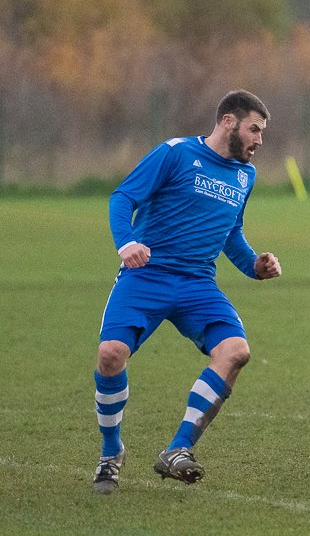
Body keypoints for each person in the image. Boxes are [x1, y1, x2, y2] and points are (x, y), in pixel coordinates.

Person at [91, 90, 282, 494]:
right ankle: (111, 454)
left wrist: (254, 265)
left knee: (236, 352)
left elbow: (230, 231)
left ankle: (178, 449)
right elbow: (123, 197)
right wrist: (126, 243)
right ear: (228, 122)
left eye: (262, 132)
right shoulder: (174, 154)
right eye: (254, 129)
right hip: (147, 276)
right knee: (110, 355)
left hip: (197, 284)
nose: (259, 140)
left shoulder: (245, 175)